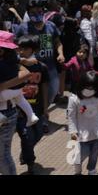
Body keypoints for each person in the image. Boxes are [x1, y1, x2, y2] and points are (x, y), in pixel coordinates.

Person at [15, 0, 65, 127]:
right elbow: (15, 47)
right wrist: (21, 60)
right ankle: (35, 117)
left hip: (50, 68)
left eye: (39, 11)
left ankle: (41, 112)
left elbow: (58, 42)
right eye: (33, 11)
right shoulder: (22, 28)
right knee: (32, 95)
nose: (36, 13)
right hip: (31, 70)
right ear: (28, 12)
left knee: (52, 92)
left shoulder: (51, 26)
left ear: (43, 11)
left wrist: (60, 54)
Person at [15, 35, 49, 174]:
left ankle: (25, 152)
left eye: (25, 49)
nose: (21, 51)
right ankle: (30, 162)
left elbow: (45, 87)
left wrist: (46, 107)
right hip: (19, 110)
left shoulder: (42, 67)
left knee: (39, 134)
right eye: (19, 48)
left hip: (37, 107)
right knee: (27, 137)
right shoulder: (15, 66)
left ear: (33, 49)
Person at [0, 31, 39, 128]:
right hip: (18, 90)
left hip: (4, 94)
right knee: (21, 100)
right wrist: (30, 61)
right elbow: (25, 63)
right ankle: (31, 115)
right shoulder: (13, 57)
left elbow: (26, 74)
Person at [0, 59, 31, 175]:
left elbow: (26, 74)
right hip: (7, 112)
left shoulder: (10, 63)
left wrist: (3, 86)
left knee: (2, 156)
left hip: (5, 112)